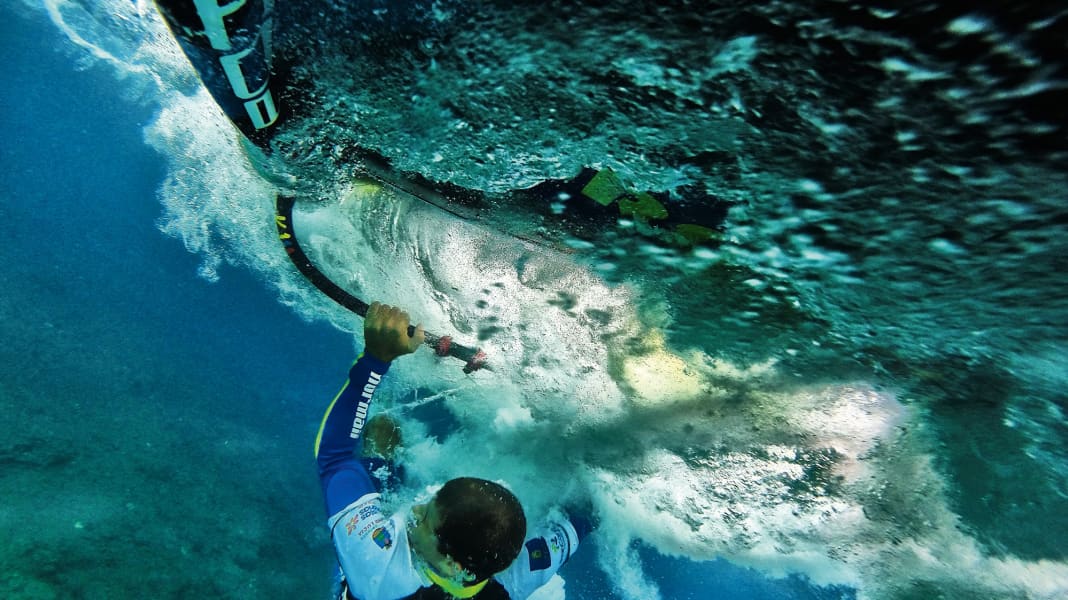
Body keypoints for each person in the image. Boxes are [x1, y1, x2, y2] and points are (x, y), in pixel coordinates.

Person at [315, 302, 593, 600]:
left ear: (452, 565)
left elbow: (334, 457)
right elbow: (582, 518)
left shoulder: (376, 564)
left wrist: (375, 361)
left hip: (364, 579)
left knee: (381, 431)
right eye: (429, 503)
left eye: (425, 518)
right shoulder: (516, 576)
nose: (415, 509)